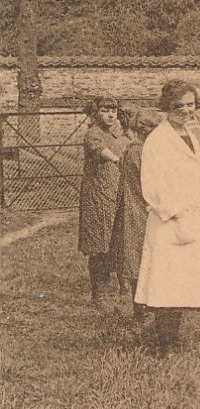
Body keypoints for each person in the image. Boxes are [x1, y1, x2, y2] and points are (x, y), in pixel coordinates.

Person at [136, 80, 200, 357]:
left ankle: (173, 340)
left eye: (190, 105)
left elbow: (199, 172)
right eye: (179, 106)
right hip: (171, 220)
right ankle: (166, 345)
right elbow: (151, 184)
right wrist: (176, 212)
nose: (186, 111)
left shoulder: (190, 133)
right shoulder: (157, 140)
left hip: (195, 212)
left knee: (184, 283)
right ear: (167, 107)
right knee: (166, 285)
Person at [110, 109, 163, 323]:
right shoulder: (140, 152)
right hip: (138, 209)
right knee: (139, 260)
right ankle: (142, 312)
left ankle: (145, 309)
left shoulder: (137, 150)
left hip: (136, 207)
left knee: (140, 258)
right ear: (146, 130)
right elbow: (150, 184)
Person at [79, 96, 131, 310]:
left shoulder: (121, 135)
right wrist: (119, 159)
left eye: (114, 110)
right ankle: (98, 292)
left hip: (118, 194)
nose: (110, 114)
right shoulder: (93, 134)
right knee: (98, 243)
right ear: (96, 112)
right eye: (105, 110)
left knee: (119, 240)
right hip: (97, 197)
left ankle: (124, 286)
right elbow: (101, 151)